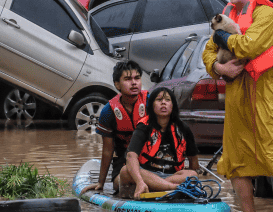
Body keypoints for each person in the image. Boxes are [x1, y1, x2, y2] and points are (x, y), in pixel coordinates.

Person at [201, 0, 273, 212]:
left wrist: (221, 38)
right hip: (236, 99)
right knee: (236, 162)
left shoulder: (267, 14)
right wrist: (219, 67)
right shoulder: (227, 14)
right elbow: (207, 52)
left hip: (266, 97)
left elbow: (248, 46)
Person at [81, 60, 148, 195]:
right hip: (124, 164)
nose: (134, 83)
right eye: (128, 79)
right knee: (120, 181)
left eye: (137, 78)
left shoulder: (152, 102)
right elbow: (107, 150)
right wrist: (101, 182)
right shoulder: (108, 111)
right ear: (117, 84)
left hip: (150, 161)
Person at [119, 87, 200, 198]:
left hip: (171, 176)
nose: (163, 103)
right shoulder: (144, 126)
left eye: (167, 100)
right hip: (147, 175)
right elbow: (131, 156)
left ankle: (157, 186)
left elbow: (194, 163)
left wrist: (192, 180)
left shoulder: (183, 128)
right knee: (125, 171)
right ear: (152, 105)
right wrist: (139, 181)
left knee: (192, 175)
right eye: (159, 100)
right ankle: (172, 188)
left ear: (173, 105)